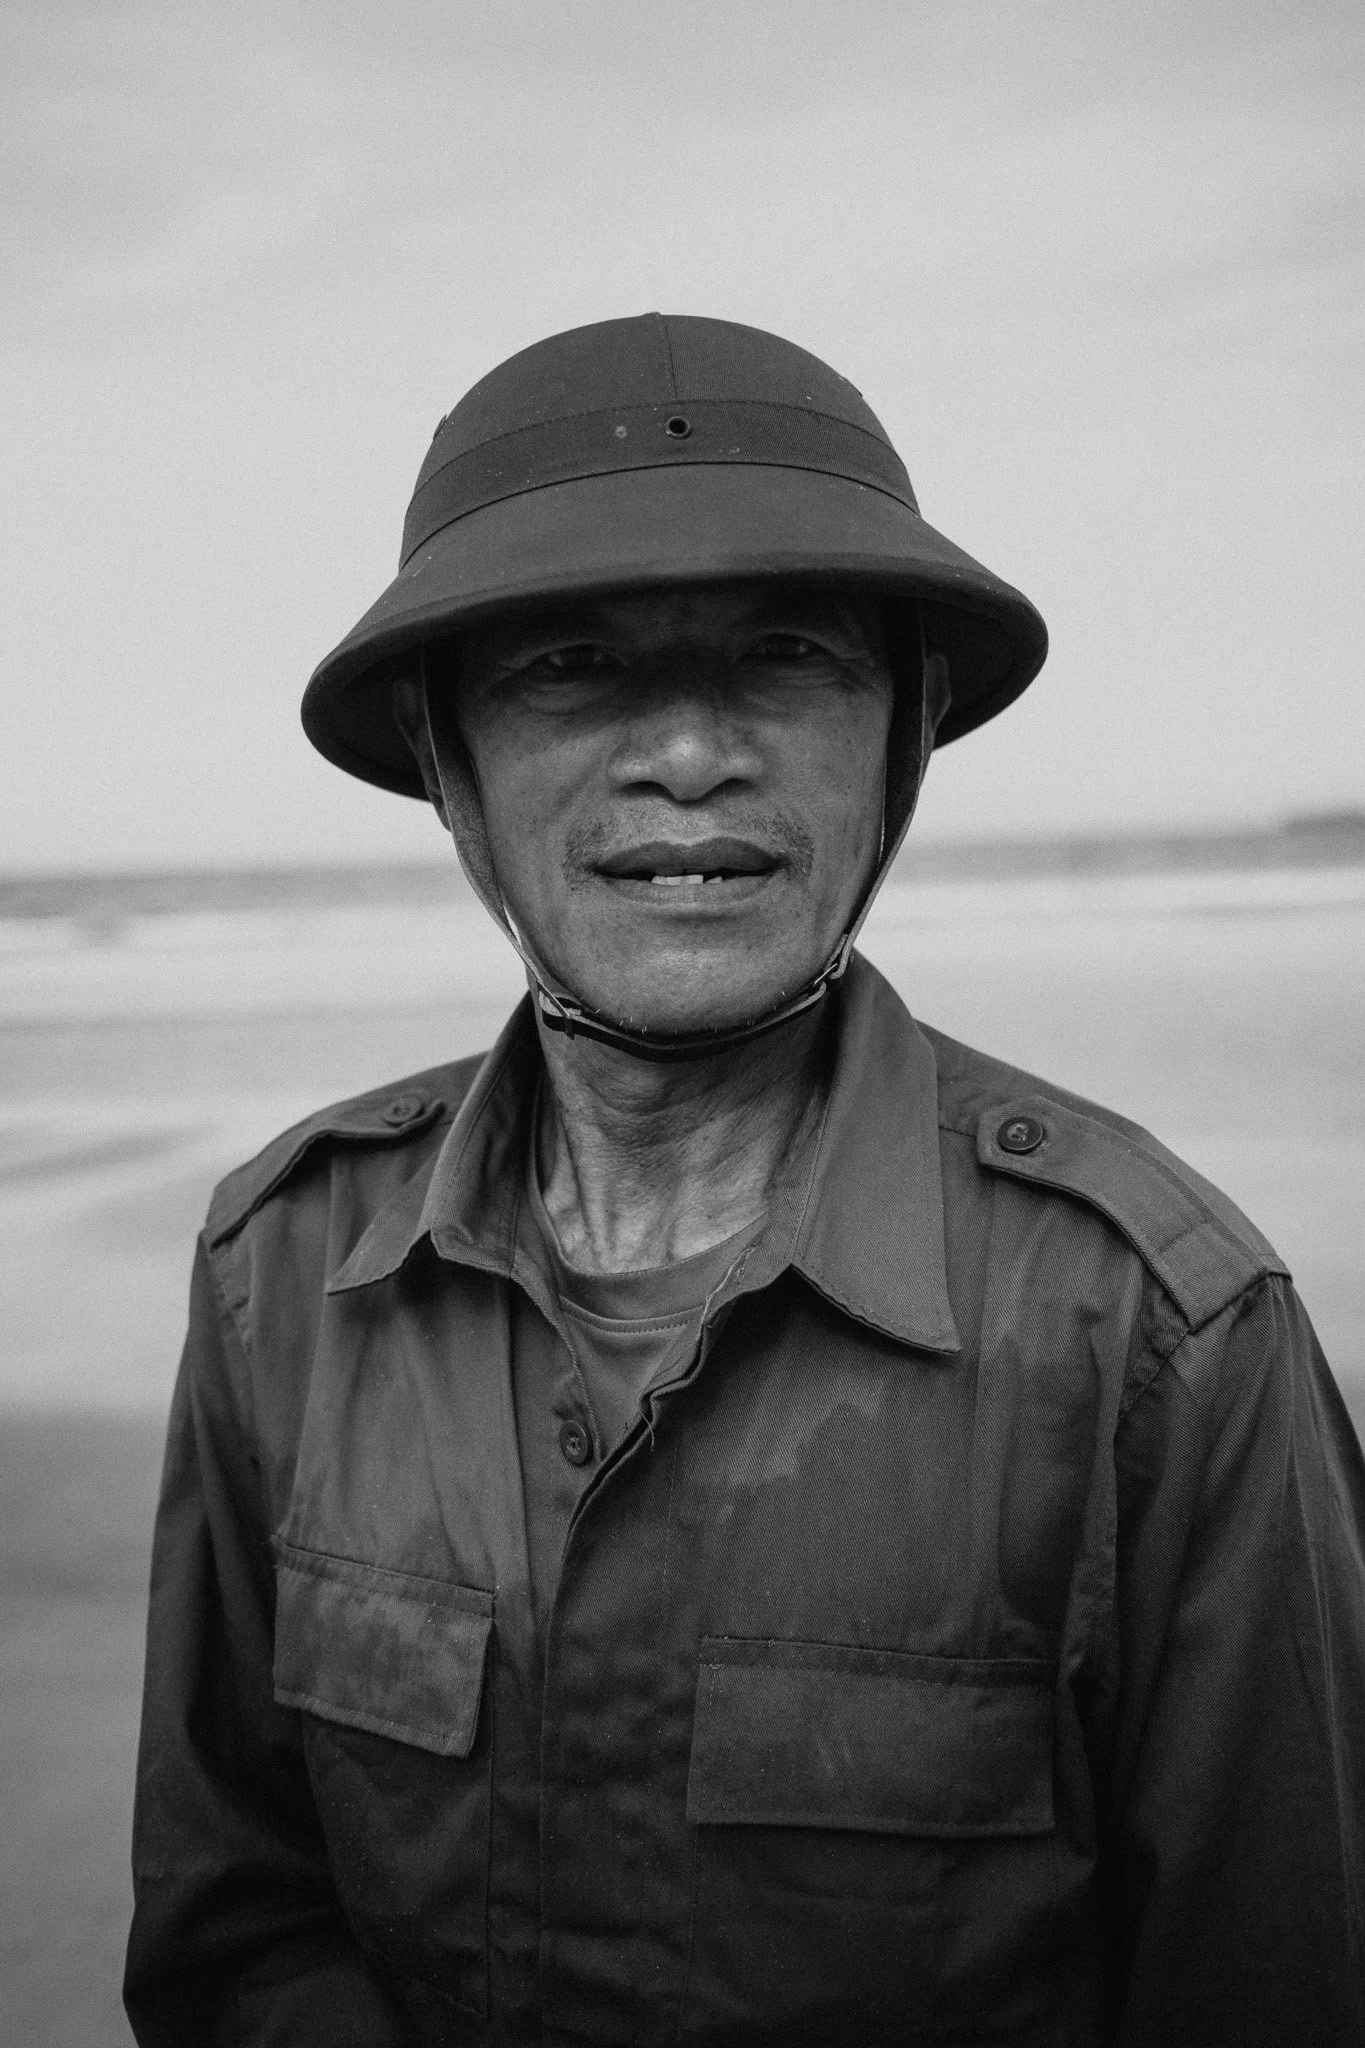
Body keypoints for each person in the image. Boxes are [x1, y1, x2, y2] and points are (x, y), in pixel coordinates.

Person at [125, 314, 1365, 2046]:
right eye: (570, 665)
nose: (692, 753)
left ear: (907, 731)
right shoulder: (286, 1264)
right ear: (443, 753)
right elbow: (236, 1933)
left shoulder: (1161, 1332)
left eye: (787, 653)